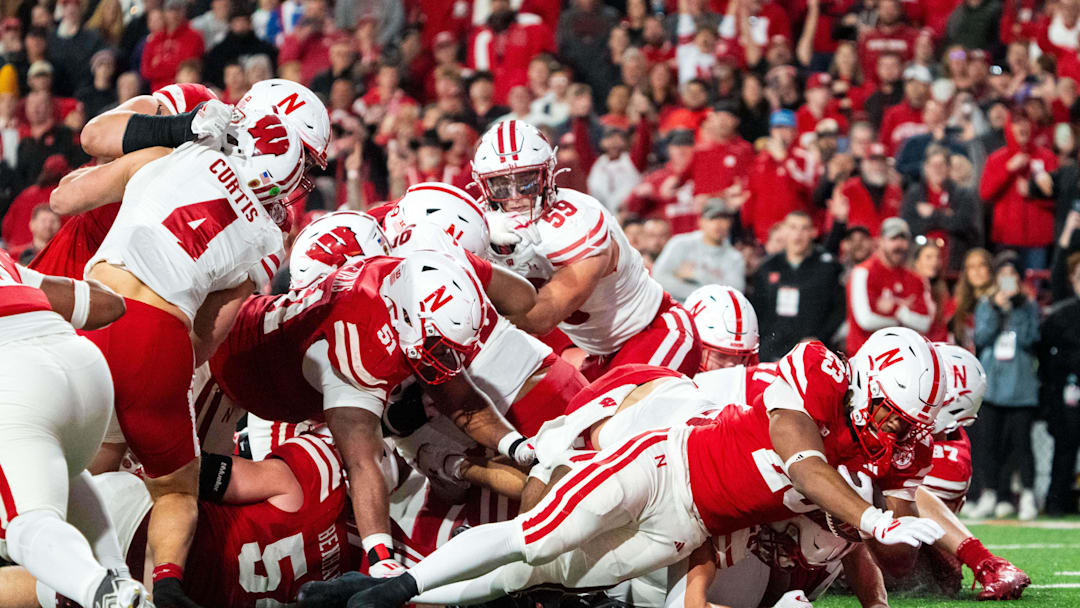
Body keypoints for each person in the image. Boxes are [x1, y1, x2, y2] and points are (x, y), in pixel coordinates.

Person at [318, 328, 947, 608]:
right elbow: (804, 462)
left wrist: (893, 526)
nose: (890, 434)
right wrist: (871, 518)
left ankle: (389, 599)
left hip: (688, 525)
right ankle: (399, 585)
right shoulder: (816, 375)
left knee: (547, 573)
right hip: (661, 463)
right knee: (539, 534)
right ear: (865, 384)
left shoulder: (870, 446)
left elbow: (877, 504)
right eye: (891, 417)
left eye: (903, 426)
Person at [47, 103, 293, 608]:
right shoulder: (266, 237)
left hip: (91, 309)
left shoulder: (164, 153)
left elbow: (64, 198)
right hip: (156, 334)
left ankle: (40, 550)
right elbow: (207, 339)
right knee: (176, 489)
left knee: (82, 455)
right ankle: (166, 585)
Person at [0, 429, 350, 607]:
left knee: (28, 512)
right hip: (157, 587)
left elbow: (199, 477)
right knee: (48, 587)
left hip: (147, 524)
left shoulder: (321, 484)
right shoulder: (358, 577)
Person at [477, 119, 701, 381]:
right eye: (501, 184)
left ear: (547, 174)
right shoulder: (480, 221)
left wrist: (479, 274)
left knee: (615, 420)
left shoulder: (578, 221)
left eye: (526, 181)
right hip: (599, 353)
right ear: (484, 185)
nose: (514, 196)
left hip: (653, 331)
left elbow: (540, 317)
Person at [0, 248, 145, 608]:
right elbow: (109, 305)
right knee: (64, 468)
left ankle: (106, 592)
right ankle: (118, 580)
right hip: (84, 365)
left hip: (15, 380)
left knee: (26, 527)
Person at [967, 251, 1041, 521]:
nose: (1007, 280)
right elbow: (982, 337)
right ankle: (990, 494)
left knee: (1022, 446)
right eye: (1003, 275)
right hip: (993, 386)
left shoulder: (1029, 306)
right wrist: (998, 309)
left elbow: (1030, 339)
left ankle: (1028, 496)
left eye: (1012, 275)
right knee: (988, 445)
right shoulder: (987, 304)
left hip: (1020, 388)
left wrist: (1017, 308)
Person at [750, 211, 845, 362]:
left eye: (804, 228)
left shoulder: (827, 267)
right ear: (784, 230)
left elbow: (839, 310)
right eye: (793, 228)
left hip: (811, 352)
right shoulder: (768, 267)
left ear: (813, 233)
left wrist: (819, 338)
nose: (798, 234)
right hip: (772, 350)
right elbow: (757, 309)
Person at [979, 114, 1057, 270]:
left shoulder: (1047, 158)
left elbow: (1056, 197)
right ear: (1009, 128)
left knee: (1035, 284)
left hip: (1038, 240)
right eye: (1016, 123)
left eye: (1025, 122)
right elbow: (985, 193)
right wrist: (1008, 170)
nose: (1022, 127)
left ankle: (1032, 295)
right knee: (1008, 283)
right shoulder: (997, 159)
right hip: (1007, 238)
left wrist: (1032, 192)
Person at [845, 217, 933, 354]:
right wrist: (904, 314)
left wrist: (896, 309)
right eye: (893, 239)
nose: (899, 245)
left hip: (903, 358)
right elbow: (865, 320)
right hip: (864, 357)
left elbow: (925, 323)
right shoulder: (863, 272)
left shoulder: (916, 278)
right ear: (880, 242)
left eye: (903, 239)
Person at [1039, 251, 1080, 515]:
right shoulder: (1060, 316)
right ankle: (1056, 502)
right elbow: (1045, 358)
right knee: (1065, 448)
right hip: (1068, 391)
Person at [901, 145, 981, 273]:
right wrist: (946, 216)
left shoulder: (963, 194)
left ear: (949, 168)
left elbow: (962, 224)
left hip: (955, 264)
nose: (937, 169)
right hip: (920, 267)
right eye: (933, 165)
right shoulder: (914, 194)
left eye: (941, 165)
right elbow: (910, 226)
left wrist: (933, 213)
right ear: (926, 168)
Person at [652, 199, 745, 301]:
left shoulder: (735, 257)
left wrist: (697, 274)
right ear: (701, 221)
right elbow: (659, 278)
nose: (718, 224)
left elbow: (735, 294)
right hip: (677, 310)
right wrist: (708, 291)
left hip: (713, 313)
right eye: (712, 218)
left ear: (730, 223)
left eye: (724, 218)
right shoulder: (680, 243)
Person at [951, 247, 993, 352]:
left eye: (981, 265)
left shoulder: (998, 299)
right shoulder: (959, 301)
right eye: (971, 267)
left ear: (990, 268)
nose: (976, 271)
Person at [911, 239, 951, 342]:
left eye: (938, 257)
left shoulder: (941, 290)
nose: (934, 262)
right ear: (916, 261)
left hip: (937, 346)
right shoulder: (908, 287)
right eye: (929, 257)